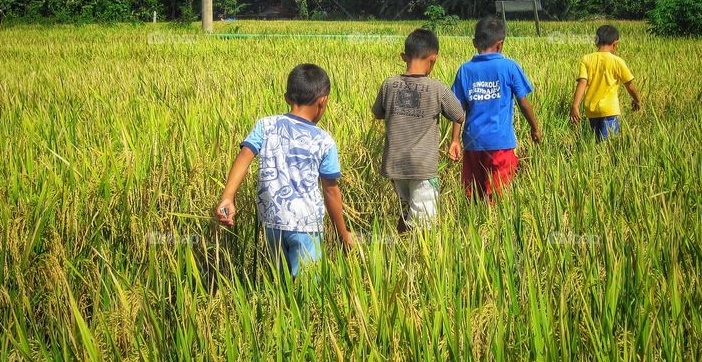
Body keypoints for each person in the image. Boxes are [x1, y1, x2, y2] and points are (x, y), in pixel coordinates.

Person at [215, 63, 355, 277]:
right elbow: (330, 191)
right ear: (323, 100)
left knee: (281, 285)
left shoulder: (266, 125)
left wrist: (227, 197)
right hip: (306, 226)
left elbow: (244, 157)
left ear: (287, 97)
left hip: (272, 223)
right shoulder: (324, 141)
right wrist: (342, 233)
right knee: (307, 291)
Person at [372, 28, 465, 231]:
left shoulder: (389, 84)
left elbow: (378, 113)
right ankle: (418, 259)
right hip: (422, 167)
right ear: (433, 59)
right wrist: (455, 140)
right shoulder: (437, 88)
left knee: (404, 214)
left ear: (404, 56)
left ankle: (400, 252)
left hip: (395, 166)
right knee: (424, 226)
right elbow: (459, 114)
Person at [451, 16, 541, 200]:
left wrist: (455, 139)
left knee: (473, 195)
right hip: (500, 143)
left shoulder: (465, 70)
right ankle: (494, 227)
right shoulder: (509, 67)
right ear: (500, 44)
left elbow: (458, 108)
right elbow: (523, 103)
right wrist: (535, 128)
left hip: (472, 144)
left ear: (474, 42)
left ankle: (474, 226)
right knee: (498, 197)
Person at [570, 24, 642, 141]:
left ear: (595, 41)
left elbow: (582, 83)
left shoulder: (586, 59)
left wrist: (575, 106)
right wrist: (637, 100)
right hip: (610, 111)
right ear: (615, 44)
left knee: (596, 143)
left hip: (592, 111)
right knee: (608, 146)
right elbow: (630, 86)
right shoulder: (617, 61)